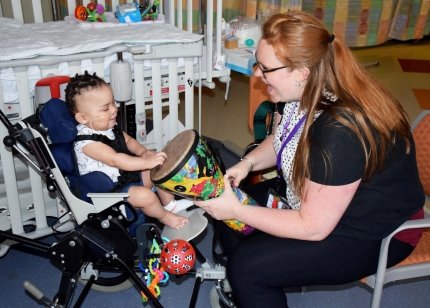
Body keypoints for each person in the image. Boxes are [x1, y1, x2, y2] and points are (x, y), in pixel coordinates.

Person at [195, 11, 425, 307]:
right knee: (232, 214)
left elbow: (313, 227)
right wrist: (248, 163)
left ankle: (252, 284)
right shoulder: (306, 91)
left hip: (375, 231)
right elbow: (282, 140)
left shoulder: (340, 133)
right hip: (323, 201)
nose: (257, 74)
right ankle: (253, 290)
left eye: (265, 68)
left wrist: (237, 211)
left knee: (247, 266)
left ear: (301, 72)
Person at [65, 72, 191, 230]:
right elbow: (115, 159)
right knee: (147, 197)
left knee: (158, 169)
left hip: (124, 178)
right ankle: (165, 217)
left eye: (113, 103)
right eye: (105, 108)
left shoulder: (108, 127)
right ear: (83, 118)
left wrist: (144, 153)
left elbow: (129, 141)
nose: (113, 110)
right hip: (109, 194)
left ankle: (169, 205)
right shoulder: (87, 143)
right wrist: (145, 162)